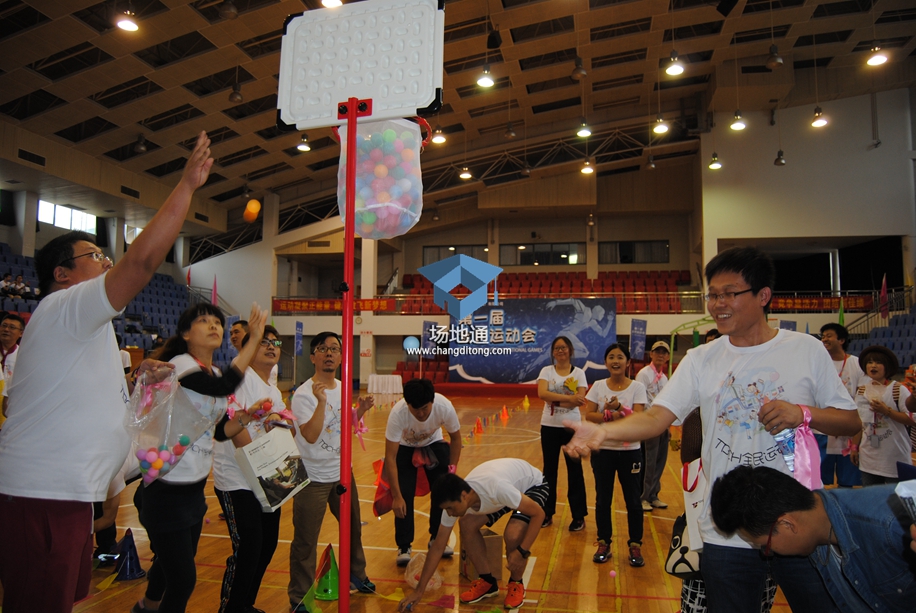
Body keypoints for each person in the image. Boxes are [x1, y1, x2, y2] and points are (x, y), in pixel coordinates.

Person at [563, 246, 861, 613]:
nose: (718, 304)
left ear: (763, 295)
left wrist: (803, 414)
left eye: (729, 294)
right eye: (712, 295)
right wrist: (605, 433)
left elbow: (850, 421)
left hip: (797, 518)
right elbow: (658, 417)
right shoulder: (701, 358)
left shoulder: (806, 350)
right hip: (727, 525)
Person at [0, 131, 213, 613]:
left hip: (68, 494)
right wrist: (186, 186)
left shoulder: (90, 329)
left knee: (65, 601)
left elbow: (92, 404)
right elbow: (141, 262)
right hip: (41, 493)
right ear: (63, 273)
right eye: (96, 256)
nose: (108, 262)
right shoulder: (63, 307)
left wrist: (139, 385)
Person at [132, 302, 266, 613]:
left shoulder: (214, 370)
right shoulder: (180, 365)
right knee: (183, 581)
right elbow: (223, 386)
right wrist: (254, 338)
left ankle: (145, 608)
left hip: (193, 490)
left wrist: (246, 417)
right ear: (185, 333)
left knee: (168, 569)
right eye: (203, 321)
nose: (214, 326)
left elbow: (219, 431)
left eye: (217, 321)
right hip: (165, 488)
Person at [710, 465, 916, 613]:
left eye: (766, 547)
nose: (769, 554)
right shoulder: (819, 532)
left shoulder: (893, 526)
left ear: (787, 524)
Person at [288, 332, 376, 612]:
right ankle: (300, 596)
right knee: (305, 541)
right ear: (313, 356)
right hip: (312, 478)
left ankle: (357, 575)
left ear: (340, 357)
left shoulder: (343, 386)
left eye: (334, 349)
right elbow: (312, 436)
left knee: (352, 530)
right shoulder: (303, 394)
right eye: (323, 349)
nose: (329, 353)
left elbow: (339, 428)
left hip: (343, 475)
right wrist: (321, 403)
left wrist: (358, 413)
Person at [398, 458, 548, 612]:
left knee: (513, 535)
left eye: (450, 508)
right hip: (505, 491)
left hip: (531, 486)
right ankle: (487, 582)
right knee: (467, 524)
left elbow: (539, 514)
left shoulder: (496, 488)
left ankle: (516, 583)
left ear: (464, 496)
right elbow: (438, 547)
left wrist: (522, 551)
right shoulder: (457, 500)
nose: (450, 513)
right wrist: (419, 591)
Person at [212, 325, 288, 613]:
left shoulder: (273, 389)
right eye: (263, 342)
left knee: (267, 544)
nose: (271, 346)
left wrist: (279, 423)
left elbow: (281, 425)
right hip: (238, 479)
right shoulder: (239, 377)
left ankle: (245, 604)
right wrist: (263, 464)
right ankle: (230, 608)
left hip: (267, 477)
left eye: (275, 342)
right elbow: (234, 429)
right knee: (248, 546)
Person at [384, 378, 462, 566]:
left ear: (432, 401)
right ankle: (404, 545)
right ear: (407, 404)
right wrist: (396, 496)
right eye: (415, 409)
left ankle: (437, 537)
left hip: (433, 443)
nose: (420, 413)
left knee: (442, 491)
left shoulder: (444, 406)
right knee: (404, 494)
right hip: (405, 447)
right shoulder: (398, 414)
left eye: (425, 408)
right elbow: (390, 457)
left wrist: (451, 471)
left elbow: (456, 439)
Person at [584, 343, 648, 566]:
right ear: (605, 362)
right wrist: (609, 416)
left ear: (627, 362)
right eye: (611, 357)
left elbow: (638, 418)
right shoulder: (599, 386)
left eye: (620, 357)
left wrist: (618, 408)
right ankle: (604, 542)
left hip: (630, 452)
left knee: (633, 501)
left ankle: (635, 545)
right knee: (603, 500)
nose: (615, 361)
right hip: (603, 451)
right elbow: (589, 415)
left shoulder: (637, 388)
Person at [536, 335, 588, 531]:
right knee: (549, 471)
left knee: (575, 472)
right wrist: (567, 399)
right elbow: (542, 394)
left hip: (572, 428)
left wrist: (554, 399)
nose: (560, 351)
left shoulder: (579, 373)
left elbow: (580, 400)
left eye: (564, 347)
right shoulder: (546, 371)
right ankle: (547, 512)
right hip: (549, 426)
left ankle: (578, 516)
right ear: (552, 352)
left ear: (571, 350)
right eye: (557, 348)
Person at [849, 345, 916, 486]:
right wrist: (855, 446)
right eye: (869, 362)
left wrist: (887, 412)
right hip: (869, 457)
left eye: (878, 362)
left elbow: (911, 420)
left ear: (887, 367)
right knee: (871, 497)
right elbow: (859, 423)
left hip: (895, 457)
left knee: (897, 500)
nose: (873, 366)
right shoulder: (861, 391)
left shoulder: (898, 389)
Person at [818, 323, 863, 487]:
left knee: (848, 480)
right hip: (822, 429)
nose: (824, 339)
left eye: (829, 335)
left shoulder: (857, 364)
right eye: (823, 336)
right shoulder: (818, 363)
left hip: (847, 429)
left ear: (842, 340)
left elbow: (861, 394)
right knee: (819, 480)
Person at [636, 340, 671, 511]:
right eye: (657, 352)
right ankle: (643, 496)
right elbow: (641, 400)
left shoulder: (664, 378)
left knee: (660, 461)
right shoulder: (644, 374)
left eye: (664, 352)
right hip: (650, 424)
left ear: (668, 357)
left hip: (663, 425)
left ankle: (653, 494)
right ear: (651, 354)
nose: (660, 355)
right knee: (648, 462)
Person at [0, 314, 24, 423]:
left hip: (9, 406)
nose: (6, 329)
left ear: (21, 333)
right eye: (4, 325)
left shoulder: (23, 356)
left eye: (12, 327)